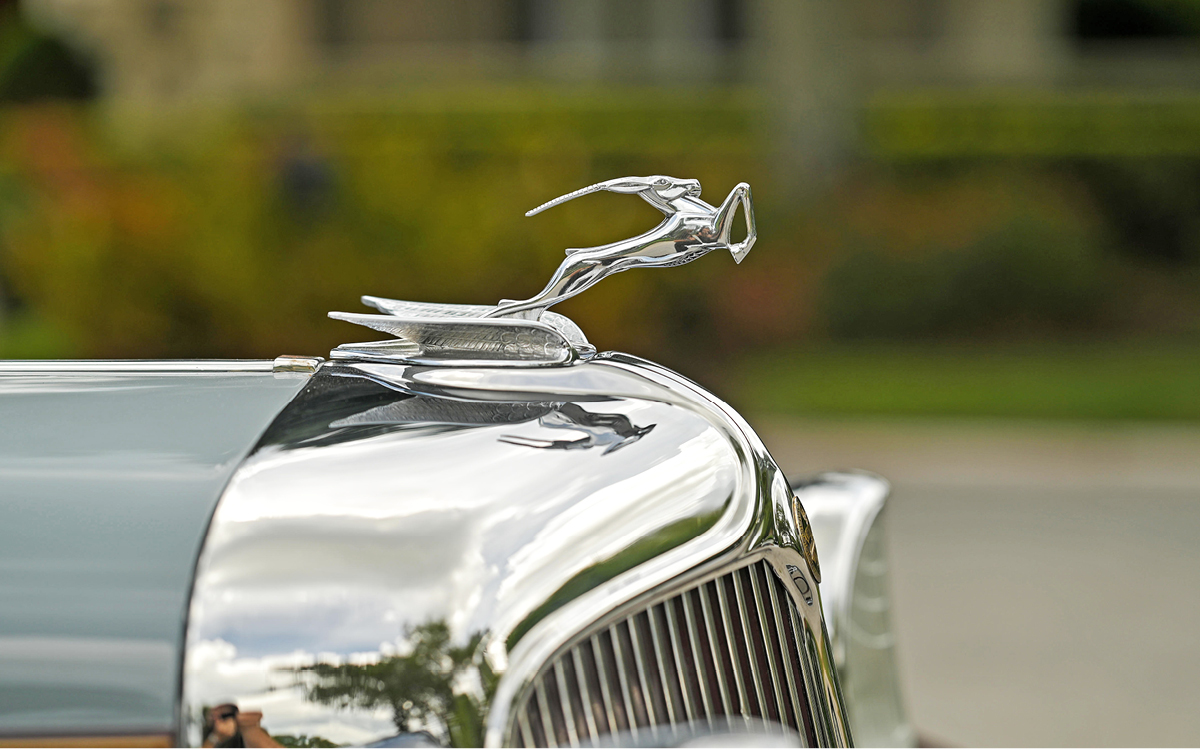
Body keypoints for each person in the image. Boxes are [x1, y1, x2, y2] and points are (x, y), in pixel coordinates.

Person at [202, 703, 282, 748]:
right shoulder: (209, 735)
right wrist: (215, 738)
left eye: (224, 716)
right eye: (213, 717)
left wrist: (248, 726)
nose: (217, 722)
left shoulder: (249, 733)